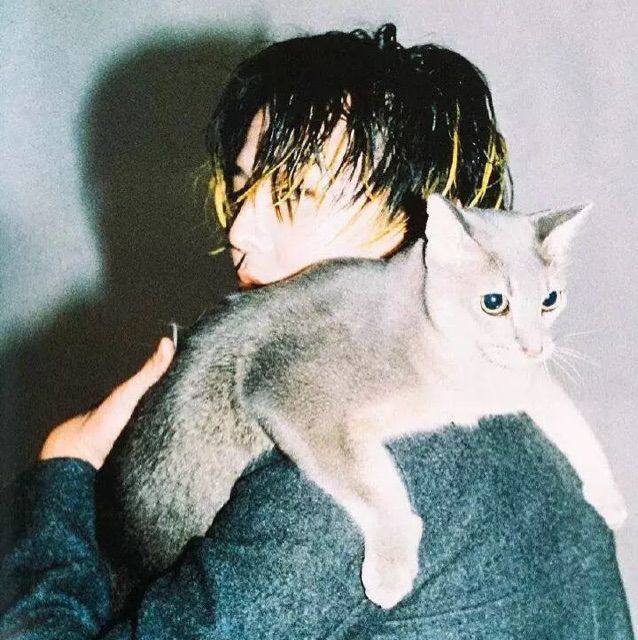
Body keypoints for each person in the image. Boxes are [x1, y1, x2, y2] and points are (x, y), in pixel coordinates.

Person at [0, 24, 633, 639]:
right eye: (243, 190)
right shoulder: (516, 429)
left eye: (295, 194)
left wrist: (62, 478)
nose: (240, 231)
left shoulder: (350, 484)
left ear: (429, 231)